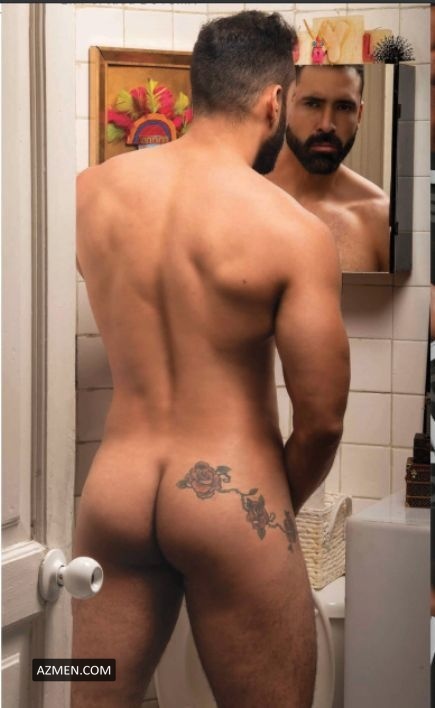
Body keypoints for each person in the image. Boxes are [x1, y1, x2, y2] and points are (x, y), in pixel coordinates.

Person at [73, 11, 350, 708]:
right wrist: (262, 513)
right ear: (274, 102)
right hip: (231, 497)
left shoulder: (86, 194)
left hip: (114, 498)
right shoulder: (293, 232)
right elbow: (321, 422)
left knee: (80, 694)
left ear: (194, 92)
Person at [268, 63, 390, 272]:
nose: (326, 125)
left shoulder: (378, 215)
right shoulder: (239, 195)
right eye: (312, 104)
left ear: (359, 114)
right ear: (284, 105)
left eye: (343, 107)